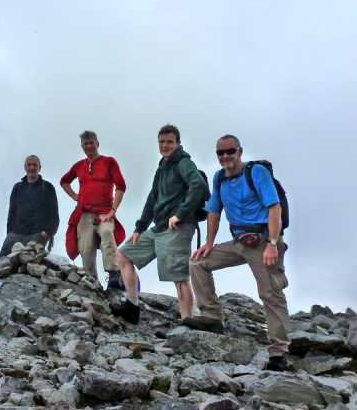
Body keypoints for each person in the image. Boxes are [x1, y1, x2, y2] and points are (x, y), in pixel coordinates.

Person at [188, 134, 291, 371]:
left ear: (240, 152)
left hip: (264, 240)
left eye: (230, 151)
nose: (225, 156)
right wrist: (209, 243)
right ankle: (212, 317)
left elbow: (274, 207)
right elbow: (214, 211)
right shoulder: (219, 178)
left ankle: (279, 352)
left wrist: (272, 243)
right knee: (197, 263)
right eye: (220, 153)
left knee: (270, 292)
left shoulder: (256, 173)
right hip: (239, 241)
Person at [111, 125, 206, 324]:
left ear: (178, 143)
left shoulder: (184, 163)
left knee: (179, 277)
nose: (165, 145)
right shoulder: (162, 166)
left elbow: (198, 186)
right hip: (159, 227)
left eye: (169, 142)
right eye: (162, 142)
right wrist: (139, 228)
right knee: (123, 255)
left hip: (178, 227)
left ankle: (188, 322)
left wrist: (180, 214)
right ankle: (132, 306)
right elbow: (152, 198)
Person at [60, 131, 127, 288]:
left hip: (104, 212)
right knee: (86, 247)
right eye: (86, 143)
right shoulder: (79, 166)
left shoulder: (109, 162)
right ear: (82, 146)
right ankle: (92, 282)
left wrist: (113, 210)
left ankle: (114, 275)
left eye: (91, 142)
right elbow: (64, 181)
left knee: (107, 233)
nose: (89, 146)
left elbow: (121, 186)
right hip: (84, 213)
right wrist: (75, 196)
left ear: (97, 144)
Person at [0, 155, 59, 261]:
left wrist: (48, 232)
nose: (32, 167)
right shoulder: (17, 188)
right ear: (25, 167)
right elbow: (12, 212)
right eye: (29, 165)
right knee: (1, 260)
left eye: (34, 165)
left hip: (38, 233)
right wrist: (9, 232)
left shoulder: (48, 187)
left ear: (39, 168)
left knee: (30, 260)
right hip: (16, 233)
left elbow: (54, 213)